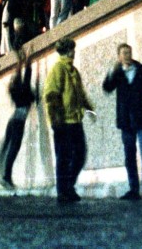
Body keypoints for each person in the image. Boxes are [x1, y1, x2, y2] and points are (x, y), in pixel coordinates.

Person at [102, 44, 142, 201]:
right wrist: (112, 71)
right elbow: (107, 88)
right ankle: (133, 189)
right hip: (126, 121)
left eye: (129, 52)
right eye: (124, 53)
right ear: (119, 56)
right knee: (129, 156)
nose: (127, 55)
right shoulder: (118, 74)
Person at [43, 37, 93, 204]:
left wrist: (89, 109)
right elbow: (51, 95)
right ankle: (63, 191)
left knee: (79, 154)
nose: (74, 52)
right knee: (63, 157)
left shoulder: (74, 71)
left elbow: (80, 94)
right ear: (66, 51)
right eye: (72, 49)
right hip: (63, 122)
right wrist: (56, 119)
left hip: (75, 120)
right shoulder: (58, 69)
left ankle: (68, 186)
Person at [0, 20, 36, 189]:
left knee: (9, 147)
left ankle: (5, 174)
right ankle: (6, 176)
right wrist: (27, 59)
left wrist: (24, 60)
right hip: (18, 121)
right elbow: (26, 75)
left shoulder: (16, 92)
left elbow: (23, 74)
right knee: (13, 148)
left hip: (14, 119)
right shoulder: (23, 91)